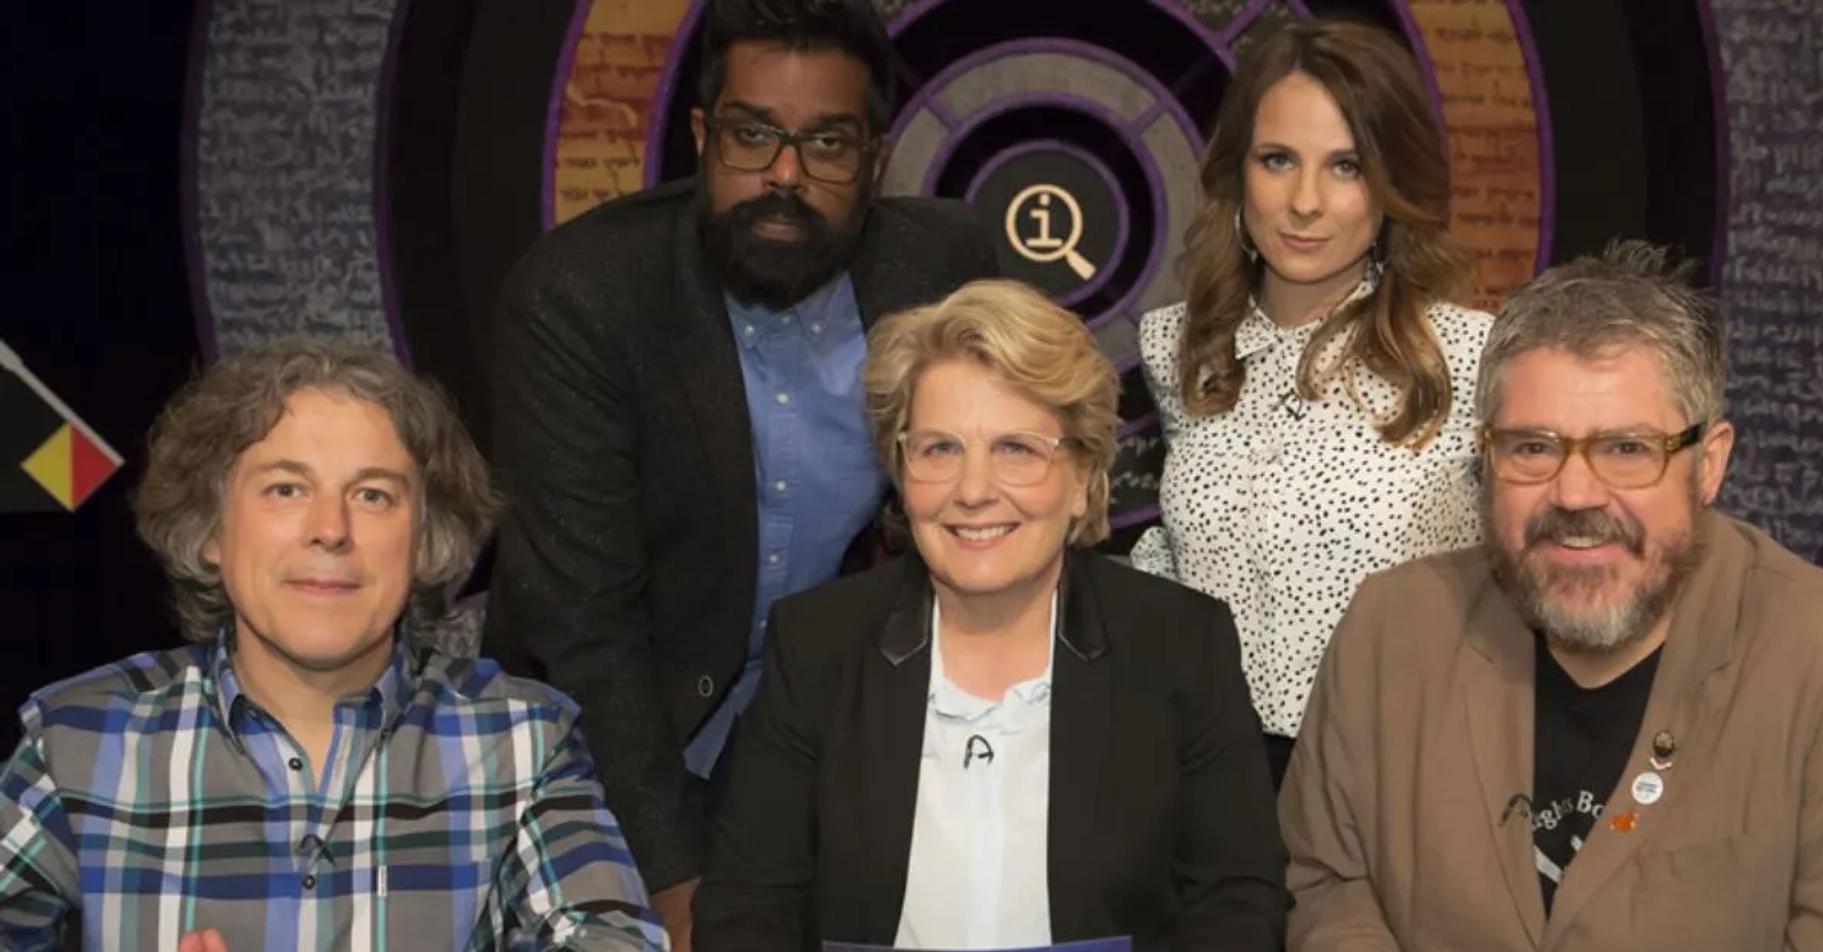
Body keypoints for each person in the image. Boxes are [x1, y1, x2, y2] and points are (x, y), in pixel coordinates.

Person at [480, 0, 999, 945]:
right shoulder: (583, 300)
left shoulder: (947, 266)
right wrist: (679, 894)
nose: (784, 176)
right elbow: (585, 629)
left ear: (876, 163)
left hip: (832, 747)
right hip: (618, 752)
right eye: (753, 136)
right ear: (700, 138)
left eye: (827, 145)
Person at [1280, 241, 1823, 950]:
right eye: (1532, 448)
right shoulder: (1390, 628)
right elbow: (1329, 884)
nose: (1576, 494)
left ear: (1708, 466)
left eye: (1626, 449)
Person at [0, 340, 666, 951]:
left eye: (373, 495)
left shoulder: (522, 740)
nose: (330, 530)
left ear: (425, 541)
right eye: (286, 489)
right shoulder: (78, 738)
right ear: (212, 529)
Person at [694, 279, 1284, 951]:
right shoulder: (818, 645)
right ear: (900, 468)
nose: (973, 491)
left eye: (1017, 449)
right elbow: (747, 903)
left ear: (1084, 478)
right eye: (940, 449)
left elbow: (1236, 901)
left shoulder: (1180, 644)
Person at [1130, 15, 1494, 791]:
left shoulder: (1471, 357)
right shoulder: (1177, 351)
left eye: (1346, 167)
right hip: (1200, 778)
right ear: (1237, 172)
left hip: (1394, 778)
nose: (1304, 202)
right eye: (1277, 160)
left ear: (1391, 188)